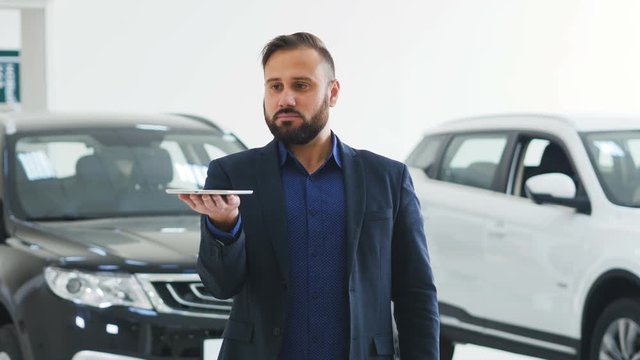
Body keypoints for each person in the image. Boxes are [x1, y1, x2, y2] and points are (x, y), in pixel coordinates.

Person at [179, 32, 439, 360]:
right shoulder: (232, 175)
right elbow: (220, 286)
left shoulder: (387, 178)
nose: (285, 99)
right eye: (275, 86)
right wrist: (224, 225)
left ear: (333, 93)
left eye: (301, 85)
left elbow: (416, 294)